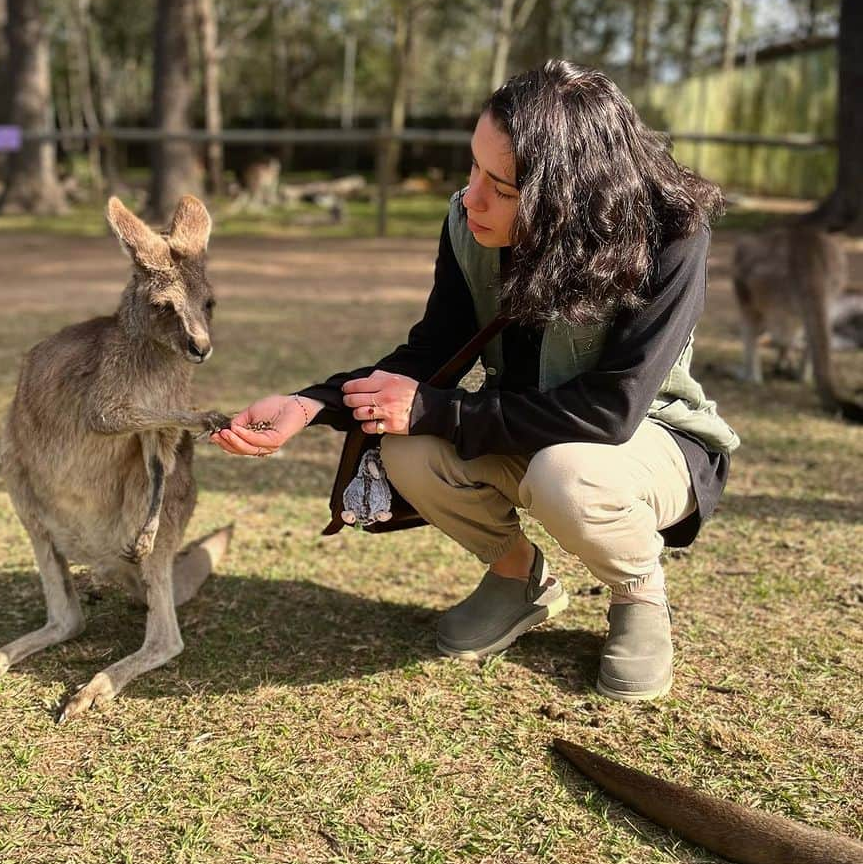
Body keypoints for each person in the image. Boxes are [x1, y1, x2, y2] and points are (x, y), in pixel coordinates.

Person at [212, 61, 740, 701]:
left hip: (648, 443)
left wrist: (448, 415)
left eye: (503, 186)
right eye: (472, 168)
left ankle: (639, 596)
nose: (471, 197)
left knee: (564, 476)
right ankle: (518, 578)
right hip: (528, 428)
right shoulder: (469, 222)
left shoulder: (670, 235)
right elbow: (434, 351)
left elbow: (614, 408)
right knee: (404, 444)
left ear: (571, 197)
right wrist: (310, 405)